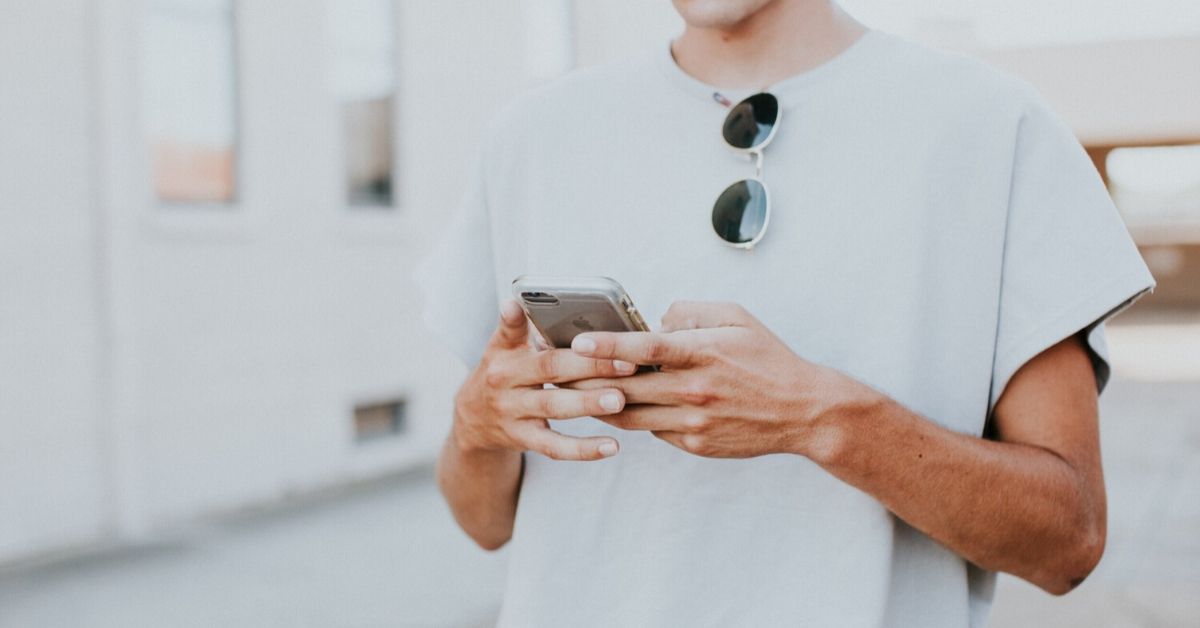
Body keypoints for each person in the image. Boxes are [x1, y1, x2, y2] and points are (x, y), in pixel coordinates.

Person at [415, 1, 1156, 626]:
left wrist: (821, 419)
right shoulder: (531, 137)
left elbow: (1067, 542)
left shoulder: (994, 130)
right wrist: (478, 427)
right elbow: (484, 522)